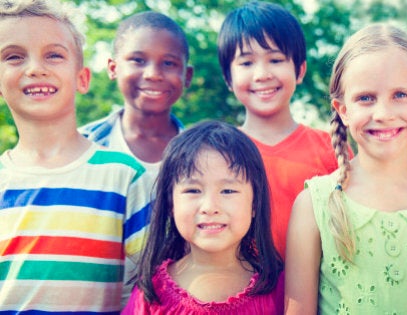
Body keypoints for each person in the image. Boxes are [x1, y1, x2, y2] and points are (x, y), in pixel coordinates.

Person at [285, 23, 407, 314]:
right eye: (366, 98)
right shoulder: (314, 205)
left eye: (400, 95)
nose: (383, 114)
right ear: (343, 110)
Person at [0, 0, 152, 313]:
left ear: (82, 78)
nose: (35, 68)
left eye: (53, 55)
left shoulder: (124, 177)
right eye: (14, 56)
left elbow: (150, 287)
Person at [217, 1, 347, 259]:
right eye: (246, 63)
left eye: (275, 60)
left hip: (318, 294)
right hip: (242, 295)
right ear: (228, 78)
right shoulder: (217, 154)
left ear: (299, 70)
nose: (262, 74)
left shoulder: (330, 148)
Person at [122, 120, 284, 314]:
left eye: (228, 190)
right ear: (171, 203)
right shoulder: (151, 292)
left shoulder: (282, 289)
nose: (209, 207)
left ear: (255, 204)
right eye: (193, 190)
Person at [79, 10, 193, 181]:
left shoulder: (204, 154)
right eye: (138, 60)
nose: (153, 74)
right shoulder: (81, 146)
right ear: (113, 68)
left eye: (169, 63)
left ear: (187, 76)